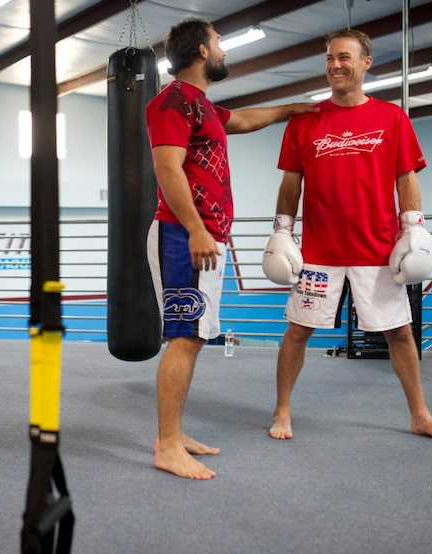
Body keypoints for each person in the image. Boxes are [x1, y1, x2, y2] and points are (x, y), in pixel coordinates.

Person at [263, 29, 432, 444]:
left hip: (377, 249)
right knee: (298, 331)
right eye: (331, 57)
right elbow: (290, 183)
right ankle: (283, 408)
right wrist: (282, 230)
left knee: (401, 332)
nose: (336, 64)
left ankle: (420, 414)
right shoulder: (306, 121)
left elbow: (405, 177)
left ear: (366, 62)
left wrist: (414, 227)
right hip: (320, 251)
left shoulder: (391, 118)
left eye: (345, 57)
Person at [145, 16, 318, 480]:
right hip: (184, 236)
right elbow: (168, 168)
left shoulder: (199, 104)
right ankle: (166, 444)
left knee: (195, 336)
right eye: (219, 43)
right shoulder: (171, 102)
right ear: (201, 51)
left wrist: (292, 109)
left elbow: (241, 119)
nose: (223, 51)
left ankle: (175, 434)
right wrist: (197, 229)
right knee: (184, 337)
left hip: (202, 237)